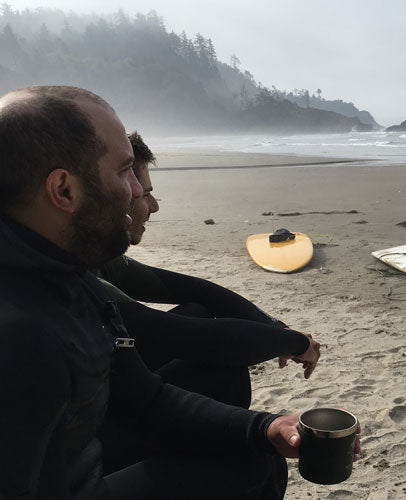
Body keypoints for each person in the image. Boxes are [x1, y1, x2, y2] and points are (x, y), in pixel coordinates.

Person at [0, 85, 356, 500]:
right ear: (63, 190)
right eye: (124, 171)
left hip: (82, 457)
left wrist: (266, 428)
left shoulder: (67, 275)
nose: (139, 194)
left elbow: (145, 401)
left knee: (250, 450)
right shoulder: (21, 333)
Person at [96, 133, 322, 472]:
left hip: (98, 404)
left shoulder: (92, 257)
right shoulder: (69, 277)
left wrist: (278, 329)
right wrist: (295, 342)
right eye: (144, 192)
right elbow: (182, 336)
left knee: (198, 314)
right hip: (78, 454)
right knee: (256, 464)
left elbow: (199, 292)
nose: (153, 205)